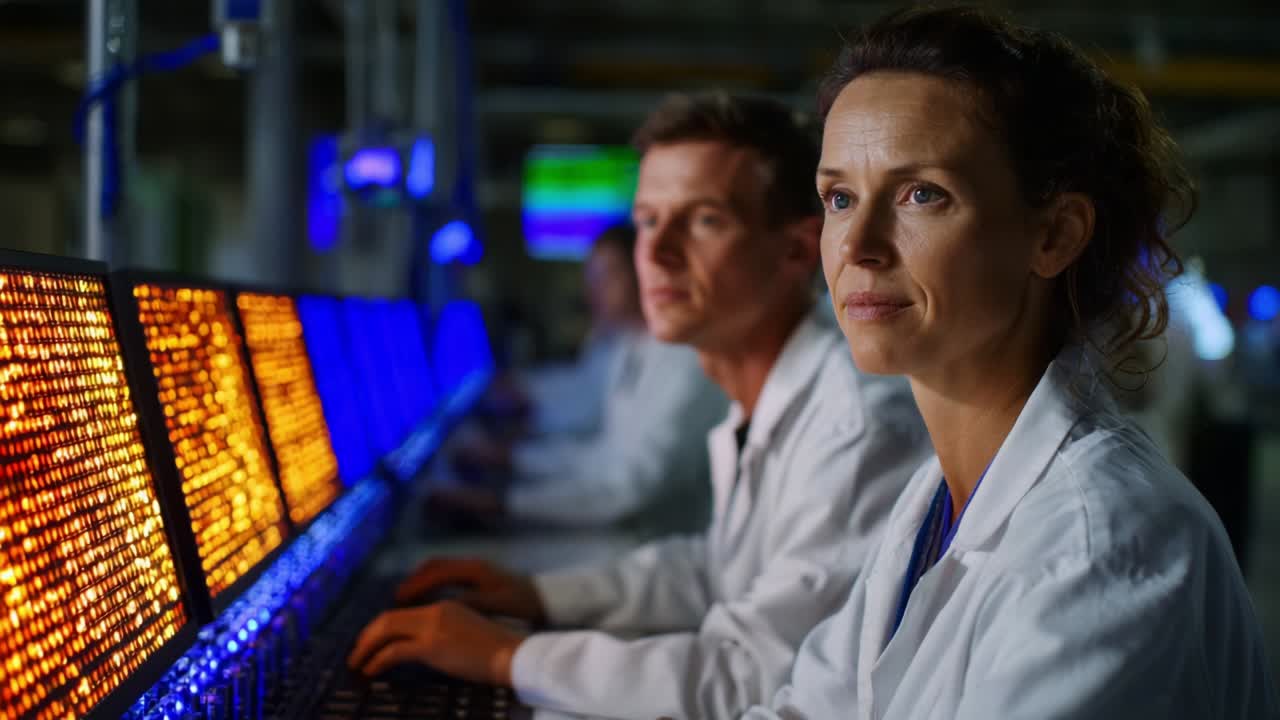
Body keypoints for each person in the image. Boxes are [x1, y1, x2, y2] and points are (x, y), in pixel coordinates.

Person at [746, 7, 1278, 718]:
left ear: (1053, 235)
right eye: (840, 197)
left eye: (921, 194)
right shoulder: (939, 500)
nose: (857, 246)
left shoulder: (1102, 549)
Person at [347, 92, 931, 718]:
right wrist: (537, 595)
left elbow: (755, 675)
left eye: (704, 220)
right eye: (649, 220)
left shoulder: (855, 423)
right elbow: (715, 568)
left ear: (798, 249)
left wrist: (507, 658)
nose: (654, 253)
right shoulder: (769, 391)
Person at [434, 224, 728, 535]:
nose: (592, 292)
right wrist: (512, 462)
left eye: (606, 276)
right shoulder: (632, 348)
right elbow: (605, 455)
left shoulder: (685, 360)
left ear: (643, 275)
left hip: (661, 548)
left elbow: (631, 483)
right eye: (592, 278)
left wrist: (503, 501)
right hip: (626, 537)